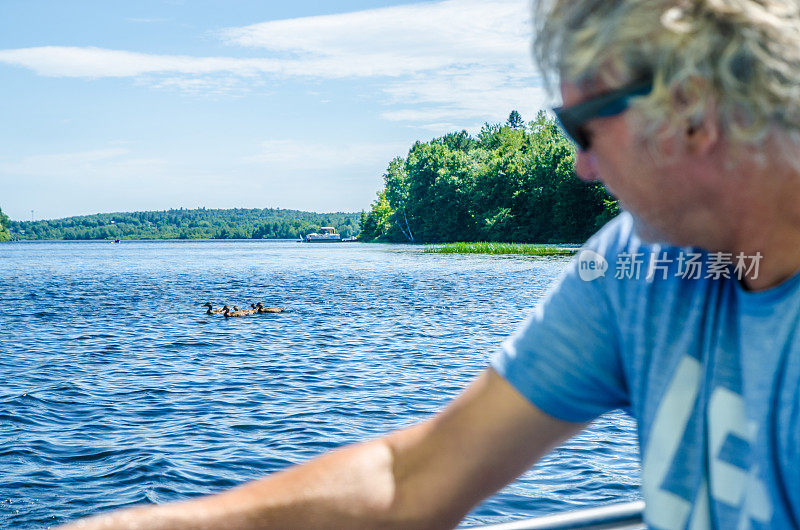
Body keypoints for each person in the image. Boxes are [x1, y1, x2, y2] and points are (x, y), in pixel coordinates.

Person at [62, 0, 800, 528]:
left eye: (583, 126)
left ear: (693, 110)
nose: (579, 166)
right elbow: (410, 479)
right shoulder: (632, 270)